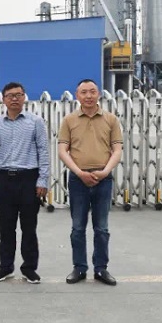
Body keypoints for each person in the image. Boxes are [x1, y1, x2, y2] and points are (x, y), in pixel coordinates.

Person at [58, 78, 122, 286]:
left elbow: (117, 150)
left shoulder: (111, 119)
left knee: (101, 228)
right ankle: (79, 268)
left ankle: (101, 269)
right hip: (78, 180)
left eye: (92, 91)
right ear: (77, 96)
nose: (88, 96)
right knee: (78, 227)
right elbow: (62, 151)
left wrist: (105, 171)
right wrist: (79, 172)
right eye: (84, 92)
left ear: (99, 94)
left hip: (103, 179)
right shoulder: (69, 120)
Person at [0, 82, 50, 284]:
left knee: (29, 227)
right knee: (6, 227)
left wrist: (43, 179)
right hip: (4, 179)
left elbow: (43, 151)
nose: (14, 99)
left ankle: (29, 268)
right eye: (10, 95)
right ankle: (5, 267)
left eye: (18, 95)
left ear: (24, 97)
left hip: (29, 179)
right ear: (3, 99)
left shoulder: (35, 122)